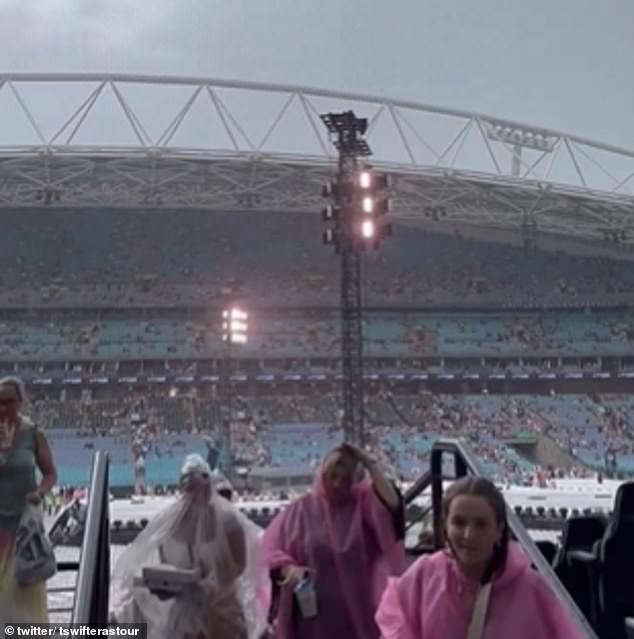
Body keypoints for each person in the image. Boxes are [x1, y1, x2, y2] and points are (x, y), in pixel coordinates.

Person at [375, 476, 585, 639]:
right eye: (459, 523)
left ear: (499, 529)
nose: (468, 535)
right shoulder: (424, 576)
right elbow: (394, 621)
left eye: (481, 524)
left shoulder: (531, 590)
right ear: (445, 526)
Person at [110, 454, 269, 639]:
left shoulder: (227, 522)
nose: (195, 495)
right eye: (190, 488)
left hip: (222, 616)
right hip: (185, 619)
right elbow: (165, 566)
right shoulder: (172, 526)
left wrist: (210, 585)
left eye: (198, 487)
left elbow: (239, 565)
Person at [261, 443, 405, 639]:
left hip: (358, 615)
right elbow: (271, 550)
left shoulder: (362, 505)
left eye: (345, 479)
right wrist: (289, 569)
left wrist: (368, 462)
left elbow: (392, 503)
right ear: (323, 474)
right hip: (312, 615)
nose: (338, 484)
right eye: (333, 476)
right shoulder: (300, 509)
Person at [0, 377, 57, 624]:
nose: (3, 408)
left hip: (24, 534)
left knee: (25, 606)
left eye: (9, 402)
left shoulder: (33, 434)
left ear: (21, 402)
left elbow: (50, 473)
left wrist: (40, 492)